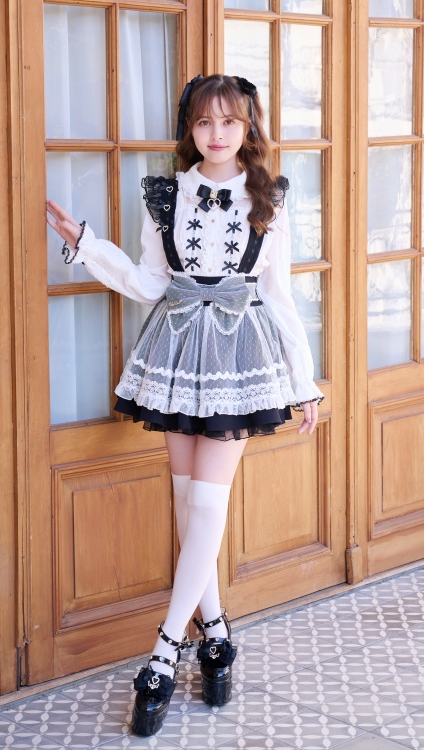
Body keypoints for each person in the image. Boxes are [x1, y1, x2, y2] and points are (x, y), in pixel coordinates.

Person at [46, 73, 324, 736]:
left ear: (247, 127)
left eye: (229, 121)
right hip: (174, 353)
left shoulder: (270, 196)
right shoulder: (166, 195)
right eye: (204, 122)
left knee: (206, 503)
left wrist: (304, 381)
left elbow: (279, 295)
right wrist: (87, 245)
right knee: (186, 501)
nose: (216, 133)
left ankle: (166, 650)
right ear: (189, 129)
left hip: (239, 358)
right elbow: (150, 283)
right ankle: (217, 632)